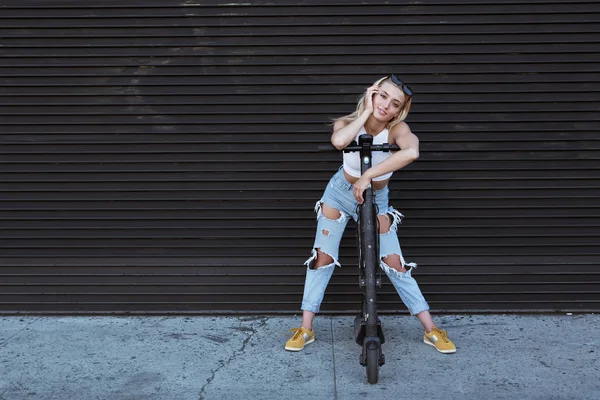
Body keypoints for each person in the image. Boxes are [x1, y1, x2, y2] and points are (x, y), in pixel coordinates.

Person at [285, 75, 456, 354]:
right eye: (382, 96)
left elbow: (411, 151)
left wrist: (367, 177)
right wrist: (364, 110)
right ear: (372, 95)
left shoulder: (397, 129)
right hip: (340, 193)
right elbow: (339, 141)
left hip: (377, 197)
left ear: (399, 110)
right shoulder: (347, 123)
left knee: (395, 264)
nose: (386, 105)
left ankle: (431, 329)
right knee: (322, 258)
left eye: (394, 103)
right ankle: (306, 328)